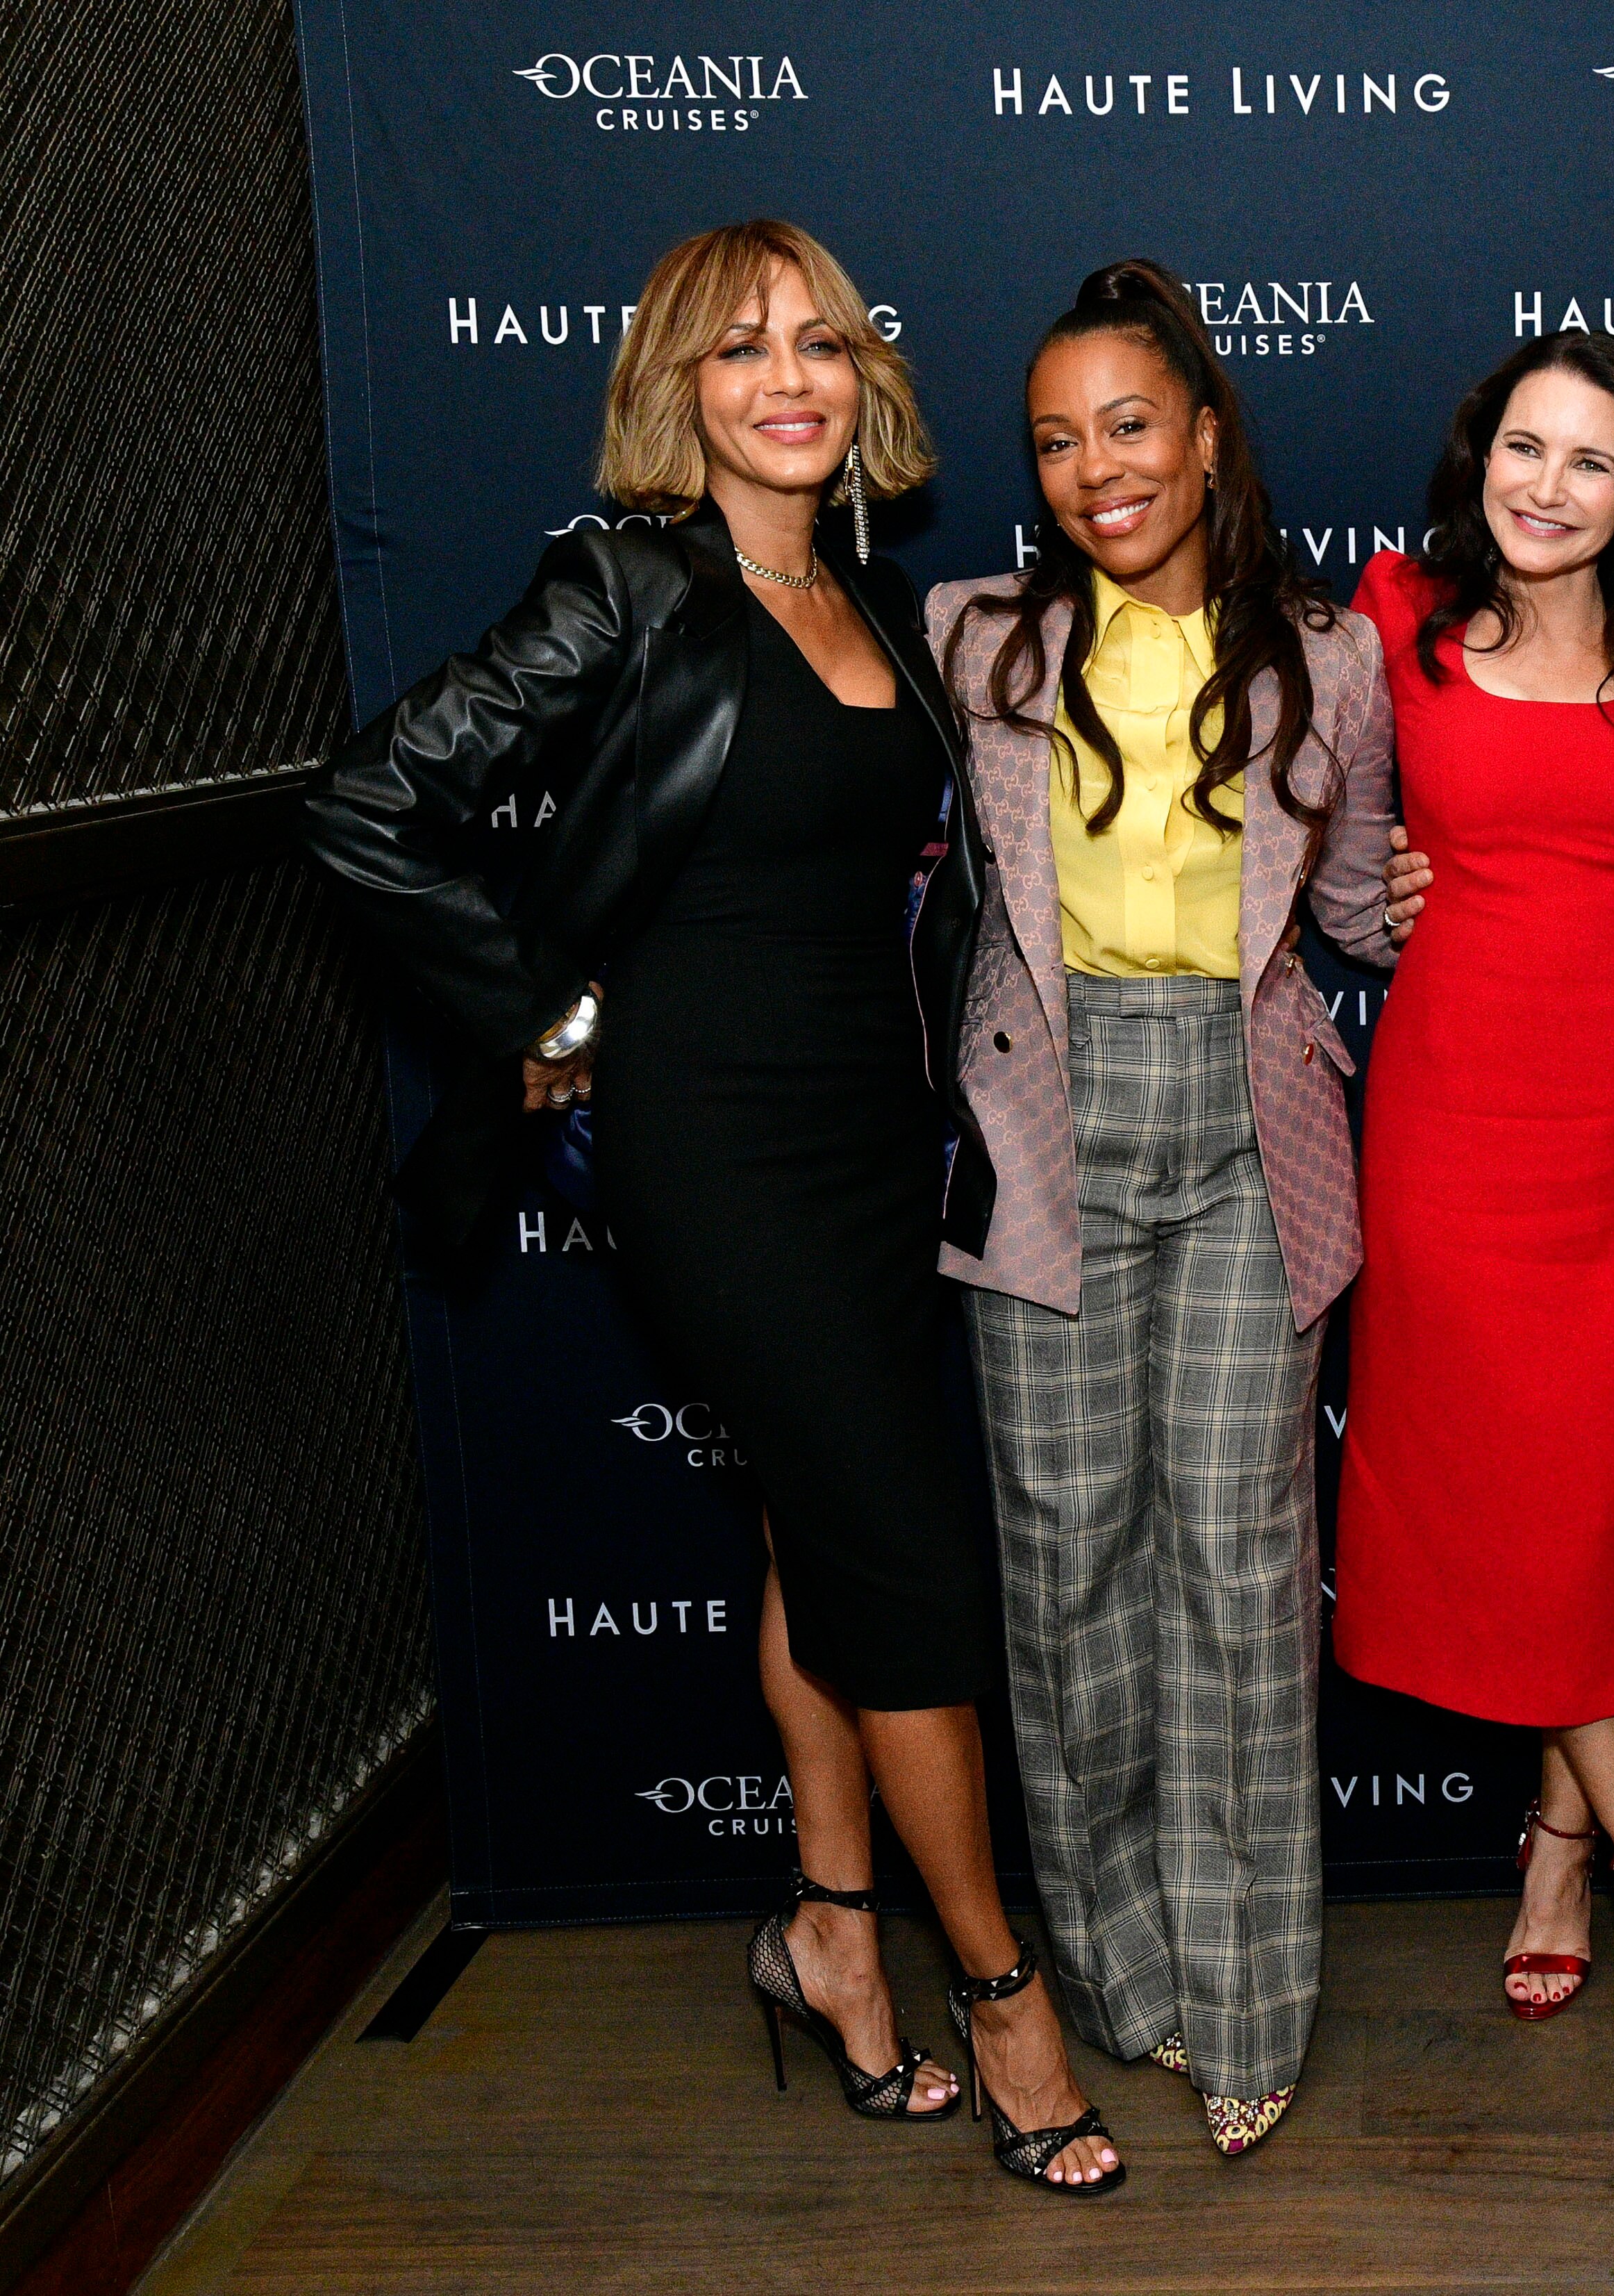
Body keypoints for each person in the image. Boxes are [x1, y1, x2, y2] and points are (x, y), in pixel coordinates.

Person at [303, 220, 1122, 2193]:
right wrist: (546, 1019)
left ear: (863, 377)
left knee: (811, 1543)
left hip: (871, 1144)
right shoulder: (627, 587)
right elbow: (369, 805)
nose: (790, 379)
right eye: (742, 347)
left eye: (820, 342)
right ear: (678, 385)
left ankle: (830, 1931)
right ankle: (1001, 1993)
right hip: (708, 1150)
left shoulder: (874, 595)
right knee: (903, 1574)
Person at [928, 260, 1397, 2160]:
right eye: (1056, 440)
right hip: (1040, 1122)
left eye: (1129, 424)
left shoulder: (1328, 657)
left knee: (1239, 1567)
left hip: (1247, 1130)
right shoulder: (973, 639)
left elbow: (1356, 909)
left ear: (1206, 436)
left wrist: (1491, 881)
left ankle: (1246, 1992)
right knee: (1064, 1570)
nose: (1096, 469)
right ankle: (1117, 1963)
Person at [1333, 333, 1614, 2076]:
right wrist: (1371, 892)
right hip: (1455, 1123)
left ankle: (1568, 1843)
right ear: (1474, 455)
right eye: (1522, 446)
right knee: (1513, 1498)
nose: (1546, 486)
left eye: (1588, 460)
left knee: (1610, 1500)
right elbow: (1311, 845)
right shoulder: (1390, 627)